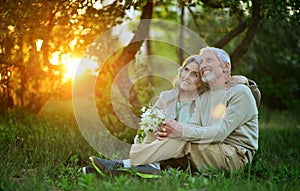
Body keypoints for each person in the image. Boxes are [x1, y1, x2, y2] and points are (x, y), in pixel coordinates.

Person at [83, 49, 259, 177]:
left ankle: (125, 164)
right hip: (211, 149)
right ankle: (140, 167)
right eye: (202, 61)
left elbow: (219, 132)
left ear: (226, 66)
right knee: (172, 133)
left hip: (234, 156)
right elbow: (198, 126)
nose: (203, 64)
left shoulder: (240, 92)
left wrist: (247, 82)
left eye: (208, 60)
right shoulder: (207, 95)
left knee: (183, 138)